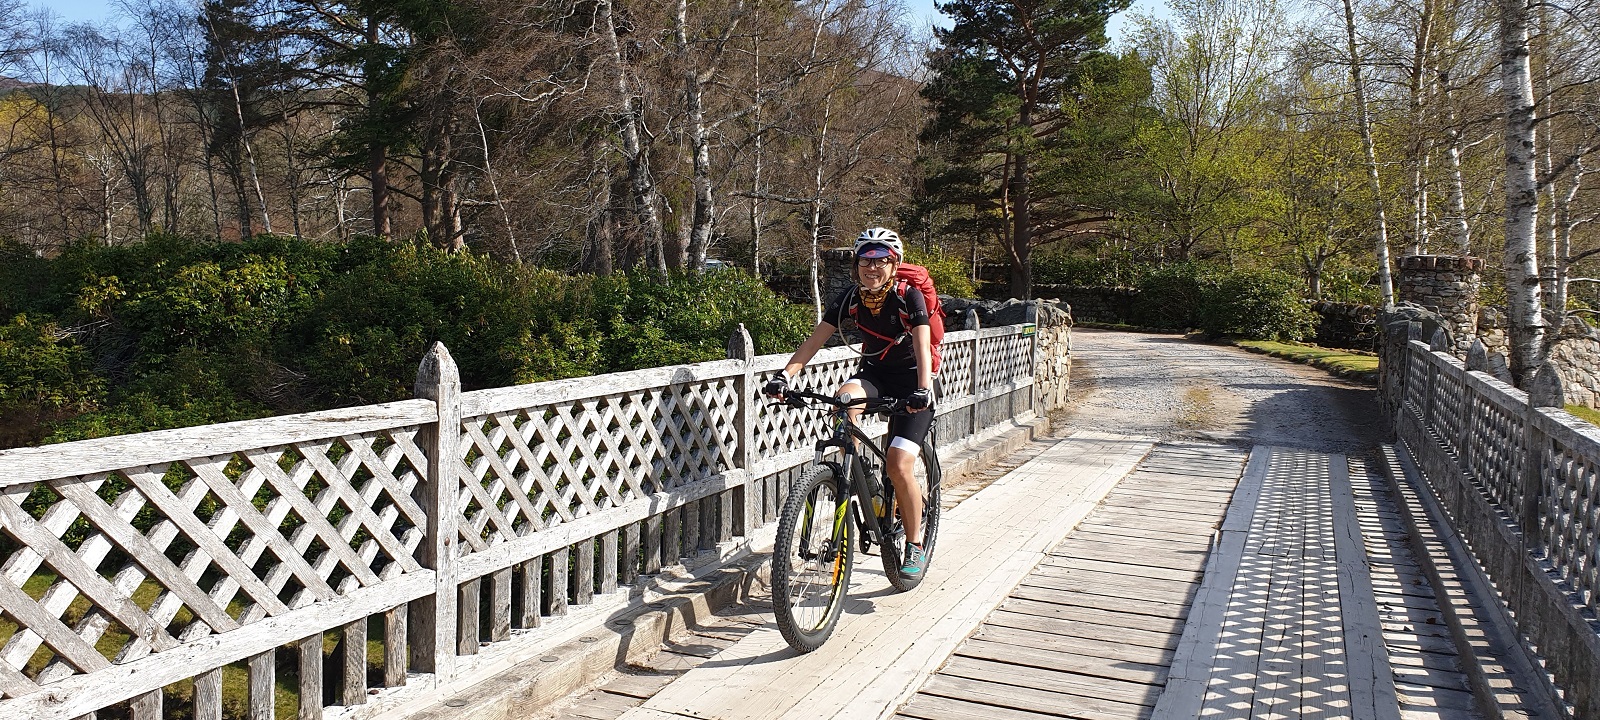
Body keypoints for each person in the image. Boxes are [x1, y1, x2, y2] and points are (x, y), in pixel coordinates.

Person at [763, 227, 935, 578]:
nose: (872, 268)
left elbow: (922, 343)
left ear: (895, 264)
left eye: (881, 260)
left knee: (899, 464)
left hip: (913, 382)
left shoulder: (909, 296)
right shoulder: (851, 298)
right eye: (865, 261)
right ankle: (861, 478)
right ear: (857, 265)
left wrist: (923, 388)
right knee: (843, 401)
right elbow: (815, 341)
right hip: (875, 375)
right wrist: (785, 376)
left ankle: (914, 543)